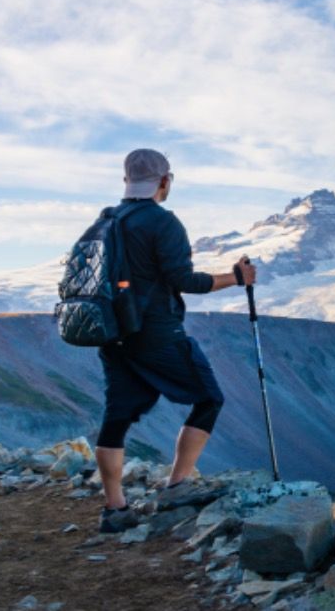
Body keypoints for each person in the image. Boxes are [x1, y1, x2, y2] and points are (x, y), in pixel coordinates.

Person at [94, 148, 255, 533]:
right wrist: (236, 278)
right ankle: (178, 485)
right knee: (208, 397)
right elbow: (185, 280)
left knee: (117, 414)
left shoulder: (106, 220)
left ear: (125, 181)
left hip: (113, 333)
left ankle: (115, 509)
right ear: (164, 181)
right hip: (156, 331)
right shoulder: (162, 223)